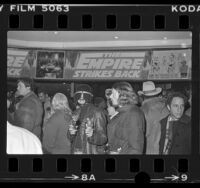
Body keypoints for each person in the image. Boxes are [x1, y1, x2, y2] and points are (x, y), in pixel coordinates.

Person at [105, 82, 145, 154]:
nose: (110, 97)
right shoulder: (122, 112)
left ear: (123, 95)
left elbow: (136, 148)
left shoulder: (133, 114)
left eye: (113, 94)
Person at [68, 84, 107, 154]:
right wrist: (71, 133)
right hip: (75, 151)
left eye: (84, 95)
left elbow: (102, 138)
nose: (82, 97)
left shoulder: (97, 112)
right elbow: (70, 137)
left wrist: (92, 135)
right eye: (79, 94)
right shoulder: (75, 112)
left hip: (89, 151)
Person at [138, 81, 169, 154]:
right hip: (166, 150)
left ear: (143, 96)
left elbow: (140, 135)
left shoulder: (142, 110)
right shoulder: (167, 107)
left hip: (149, 150)